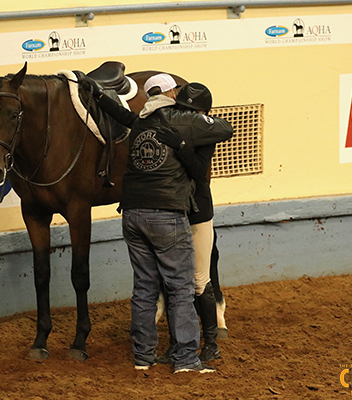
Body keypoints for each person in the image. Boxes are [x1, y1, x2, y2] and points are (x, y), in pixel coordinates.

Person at [82, 73, 232, 373]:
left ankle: (143, 357)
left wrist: (98, 96)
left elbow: (121, 114)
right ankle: (187, 359)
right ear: (172, 93)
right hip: (167, 213)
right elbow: (225, 129)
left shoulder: (140, 121)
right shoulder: (182, 120)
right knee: (181, 289)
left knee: (144, 288)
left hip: (132, 213)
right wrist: (187, 138)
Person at [154, 82, 228, 364]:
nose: (185, 116)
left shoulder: (203, 134)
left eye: (190, 111)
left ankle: (211, 343)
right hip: (174, 208)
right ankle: (176, 344)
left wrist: (182, 146)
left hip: (198, 210)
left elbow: (198, 171)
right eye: (182, 110)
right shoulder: (173, 125)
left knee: (199, 280)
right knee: (174, 282)